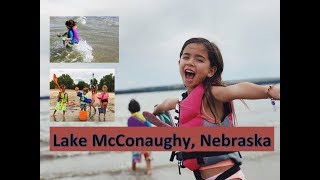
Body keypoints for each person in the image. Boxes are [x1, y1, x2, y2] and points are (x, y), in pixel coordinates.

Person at [153, 37, 280, 180]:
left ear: (211, 71)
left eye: (199, 60)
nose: (190, 62)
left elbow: (238, 89)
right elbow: (169, 102)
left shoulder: (212, 94)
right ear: (179, 63)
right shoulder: (183, 101)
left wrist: (269, 91)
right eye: (186, 57)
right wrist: (158, 109)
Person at [127, 99, 152, 175]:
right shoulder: (143, 117)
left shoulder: (130, 119)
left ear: (129, 109)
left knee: (135, 156)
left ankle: (133, 169)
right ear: (138, 108)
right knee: (146, 154)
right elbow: (149, 126)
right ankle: (149, 170)